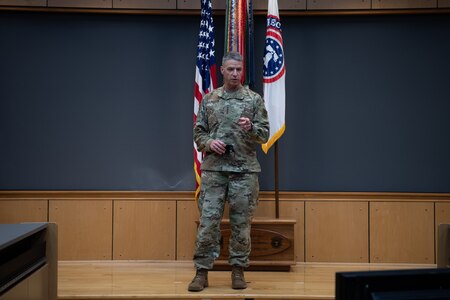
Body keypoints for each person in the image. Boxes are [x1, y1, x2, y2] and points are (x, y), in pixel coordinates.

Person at [188, 51, 270, 292]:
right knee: (208, 223)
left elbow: (264, 135)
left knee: (241, 224)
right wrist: (209, 143)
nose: (235, 73)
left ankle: (238, 271)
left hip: (244, 172)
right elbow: (198, 133)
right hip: (214, 171)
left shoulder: (253, 100)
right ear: (222, 71)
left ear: (241, 71)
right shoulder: (209, 100)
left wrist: (251, 127)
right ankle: (201, 272)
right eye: (230, 69)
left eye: (238, 69)